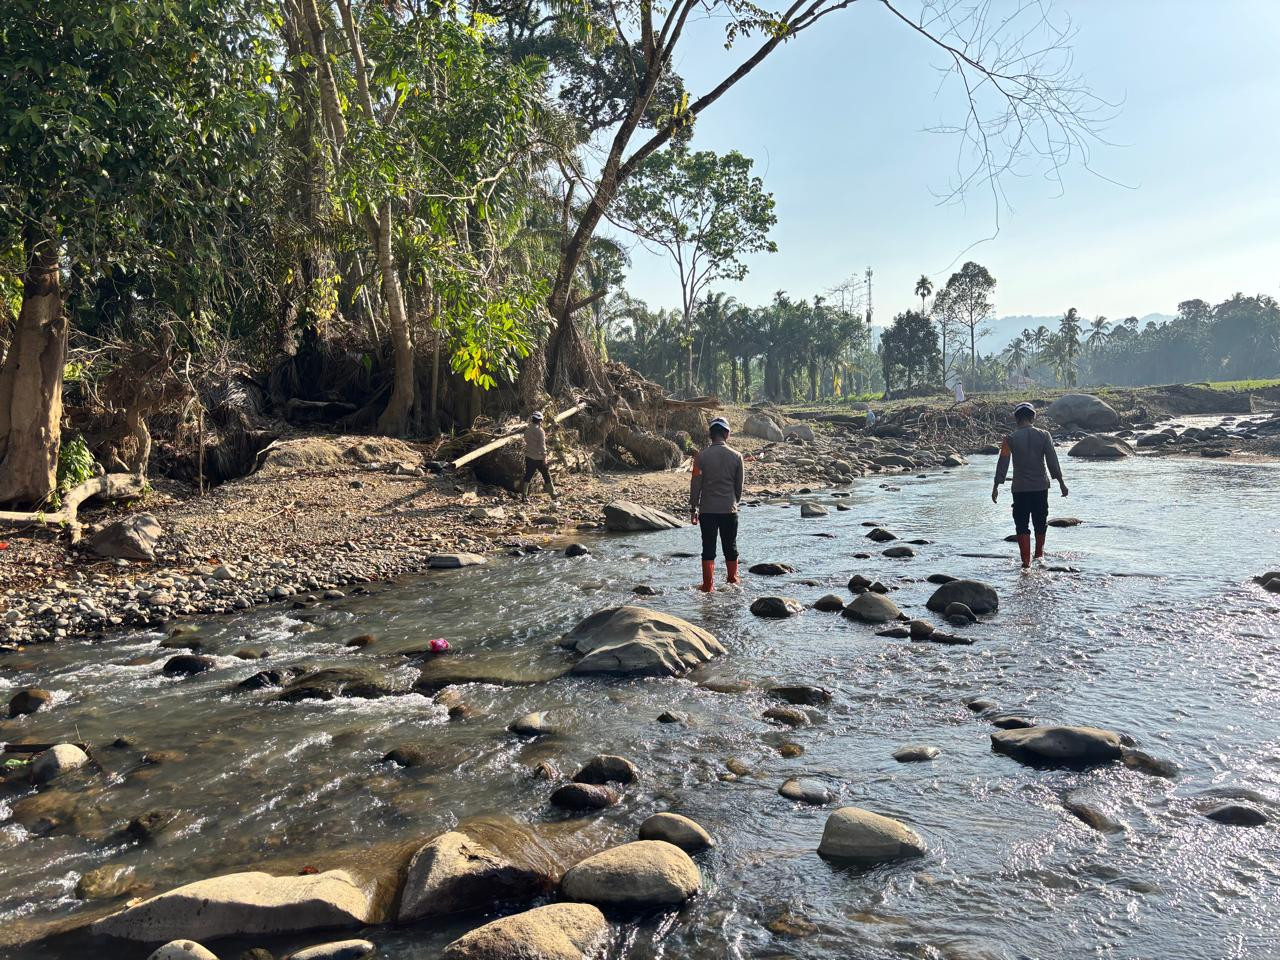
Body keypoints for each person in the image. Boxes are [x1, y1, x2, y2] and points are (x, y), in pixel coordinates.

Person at [992, 402, 1068, 568]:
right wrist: (1061, 483)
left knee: (1021, 524)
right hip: (1040, 487)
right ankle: (1039, 556)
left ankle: (1026, 563)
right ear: (1033, 417)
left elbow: (1003, 463)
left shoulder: (1009, 439)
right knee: (1040, 522)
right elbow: (1052, 462)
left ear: (1016, 418)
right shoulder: (1044, 435)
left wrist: (996, 486)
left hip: (1020, 489)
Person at [690, 416, 744, 592]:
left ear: (710, 435)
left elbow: (695, 484)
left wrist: (693, 508)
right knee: (730, 546)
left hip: (707, 511)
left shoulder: (700, 457)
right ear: (726, 434)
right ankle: (732, 579)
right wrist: (733, 502)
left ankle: (708, 586)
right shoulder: (737, 456)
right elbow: (738, 488)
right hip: (729, 509)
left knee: (708, 548)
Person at [519, 411, 556, 501]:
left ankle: (524, 496)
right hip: (539, 458)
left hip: (529, 456)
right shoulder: (540, 431)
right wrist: (545, 458)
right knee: (546, 475)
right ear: (540, 420)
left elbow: (527, 442)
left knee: (528, 476)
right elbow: (542, 446)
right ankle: (553, 494)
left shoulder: (527, 430)